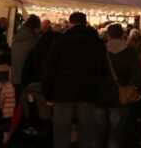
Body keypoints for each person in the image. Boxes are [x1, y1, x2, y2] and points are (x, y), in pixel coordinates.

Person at [42, 12, 109, 148]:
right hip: (88, 93)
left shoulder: (60, 41)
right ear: (85, 23)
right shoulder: (97, 43)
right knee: (86, 132)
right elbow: (104, 70)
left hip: (62, 93)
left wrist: (47, 93)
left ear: (70, 23)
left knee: (61, 132)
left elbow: (49, 68)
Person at [94, 23, 141, 148]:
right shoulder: (129, 52)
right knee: (116, 135)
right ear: (123, 35)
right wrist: (140, 90)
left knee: (98, 133)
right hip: (120, 98)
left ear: (108, 36)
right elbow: (137, 74)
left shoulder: (99, 51)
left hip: (100, 96)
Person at [11, 14, 40, 98]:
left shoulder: (17, 38)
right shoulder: (33, 41)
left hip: (15, 76)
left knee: (18, 101)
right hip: (26, 77)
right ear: (35, 28)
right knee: (25, 104)